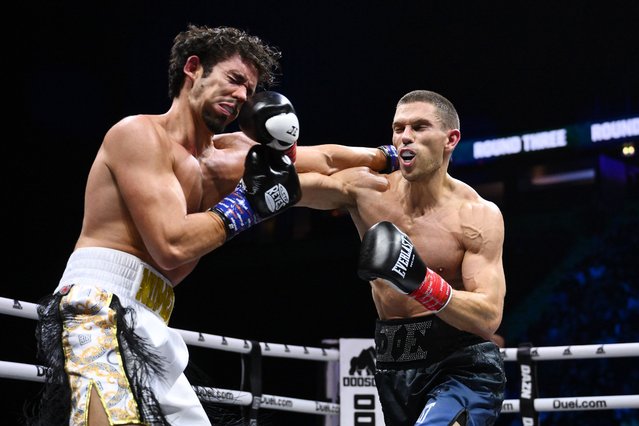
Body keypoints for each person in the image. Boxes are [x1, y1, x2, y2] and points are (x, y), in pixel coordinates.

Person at [28, 24, 305, 426]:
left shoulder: (229, 157)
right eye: (235, 79)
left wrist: (394, 155)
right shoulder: (140, 135)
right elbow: (170, 245)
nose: (244, 96)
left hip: (152, 318)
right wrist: (246, 207)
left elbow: (328, 164)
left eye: (251, 89)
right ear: (193, 68)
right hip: (97, 305)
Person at [297, 90, 507, 425]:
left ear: (451, 139)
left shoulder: (477, 215)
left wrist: (421, 282)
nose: (405, 137)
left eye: (420, 127)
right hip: (394, 364)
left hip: (461, 367)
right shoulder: (368, 191)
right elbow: (285, 181)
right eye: (398, 128)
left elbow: (488, 316)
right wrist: (277, 145)